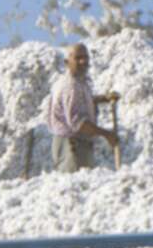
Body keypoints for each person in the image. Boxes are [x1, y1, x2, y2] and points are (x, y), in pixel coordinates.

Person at [44, 41, 119, 172]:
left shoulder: (80, 82)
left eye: (85, 57)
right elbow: (78, 123)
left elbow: (81, 104)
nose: (83, 61)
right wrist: (107, 135)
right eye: (78, 58)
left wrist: (103, 98)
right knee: (73, 187)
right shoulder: (70, 86)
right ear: (67, 62)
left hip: (78, 145)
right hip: (72, 147)